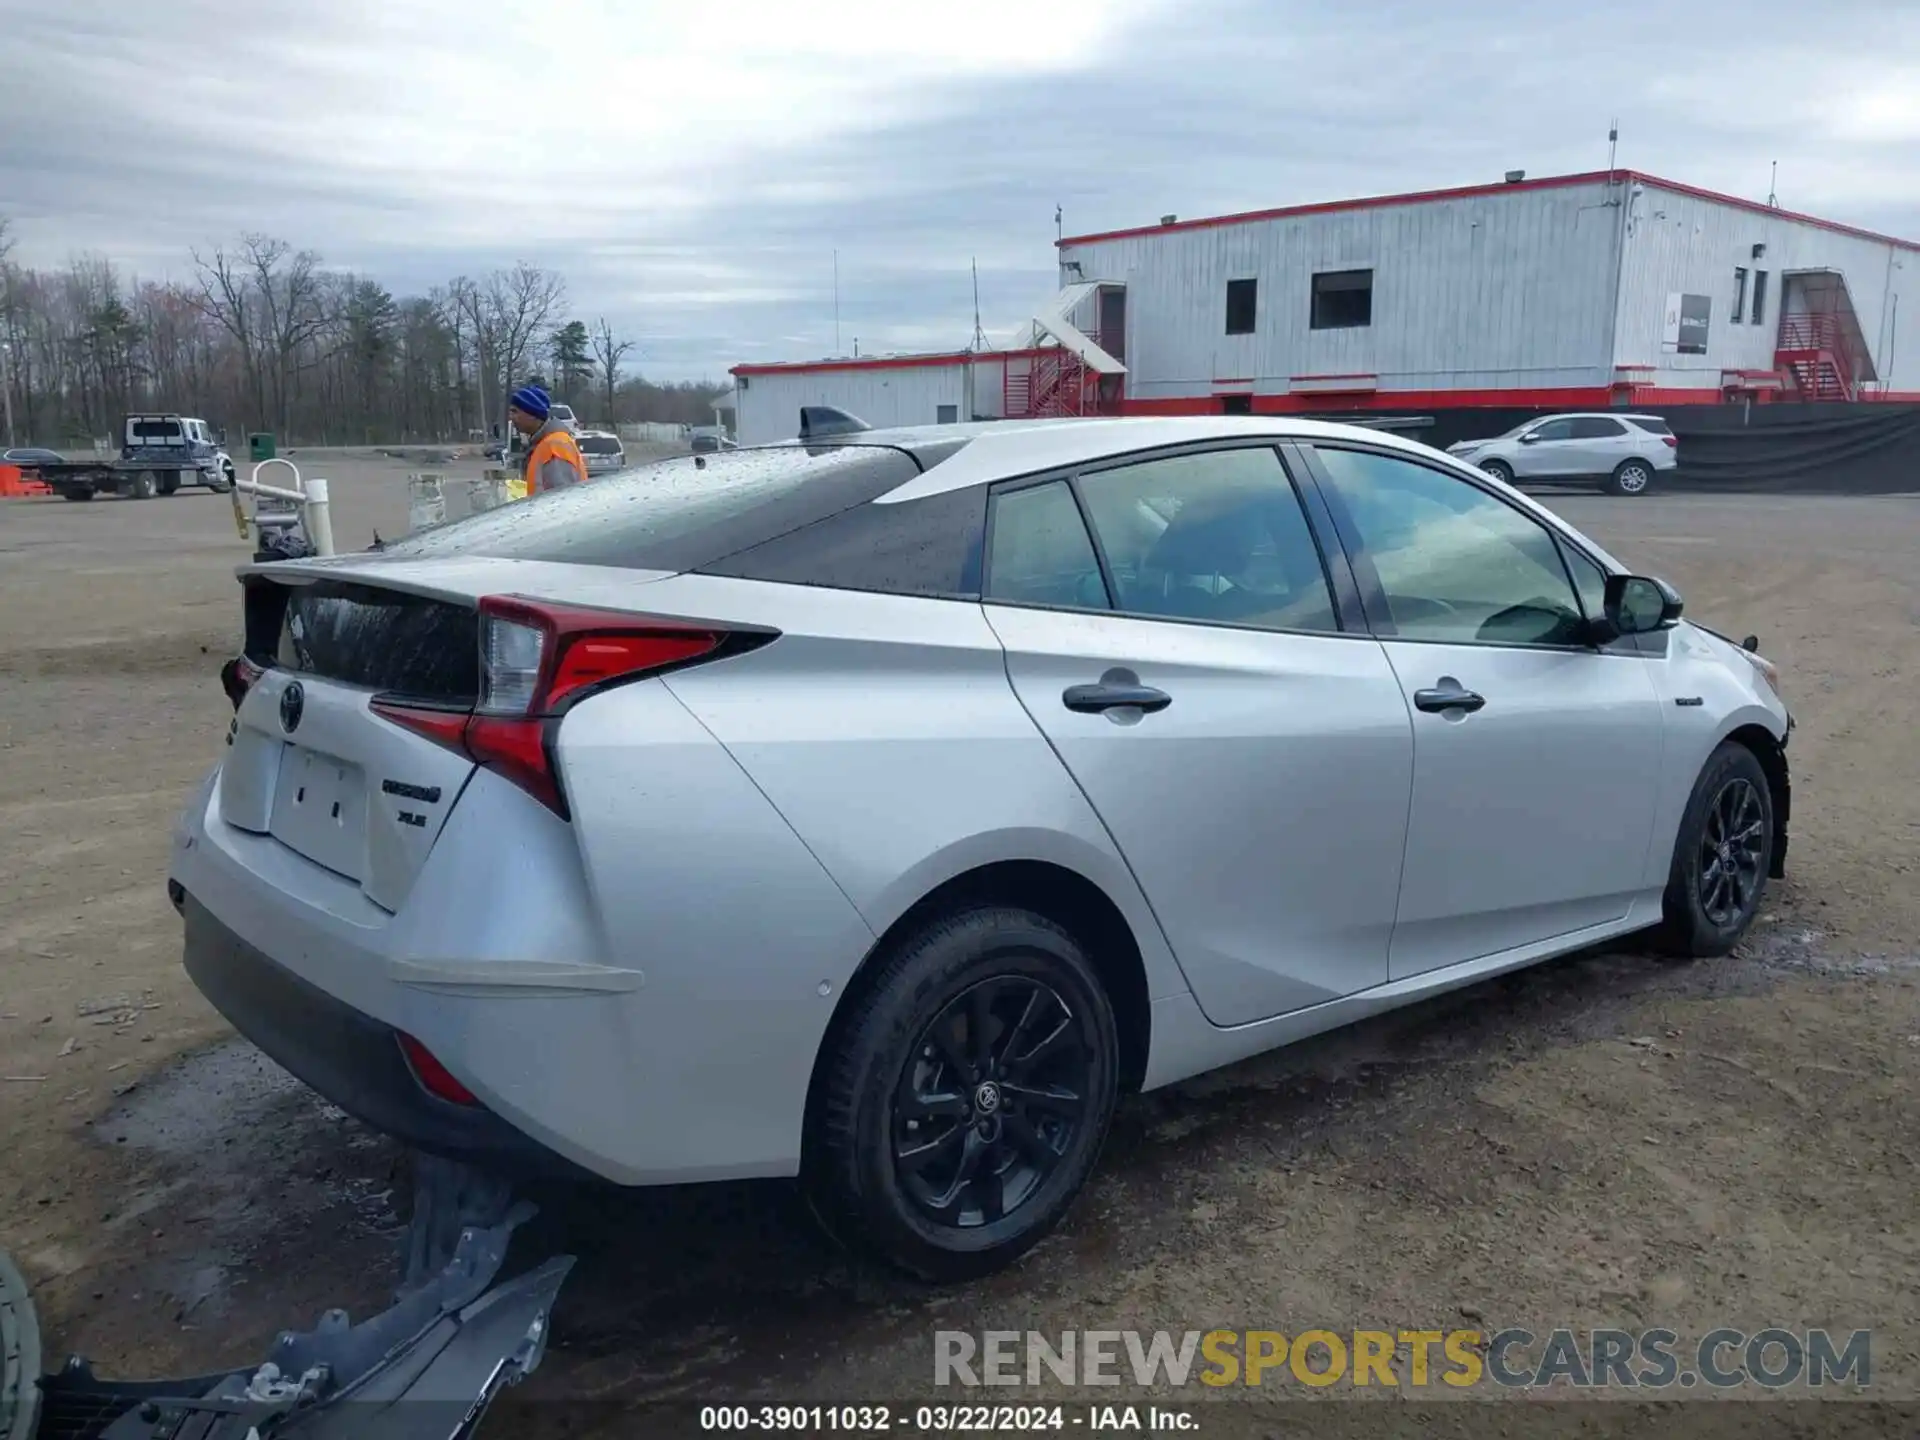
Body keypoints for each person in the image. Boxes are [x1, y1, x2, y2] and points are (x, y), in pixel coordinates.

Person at [504, 384, 587, 500]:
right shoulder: (543, 443)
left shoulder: (555, 446)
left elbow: (563, 500)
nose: (511, 417)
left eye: (515, 411)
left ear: (533, 415)